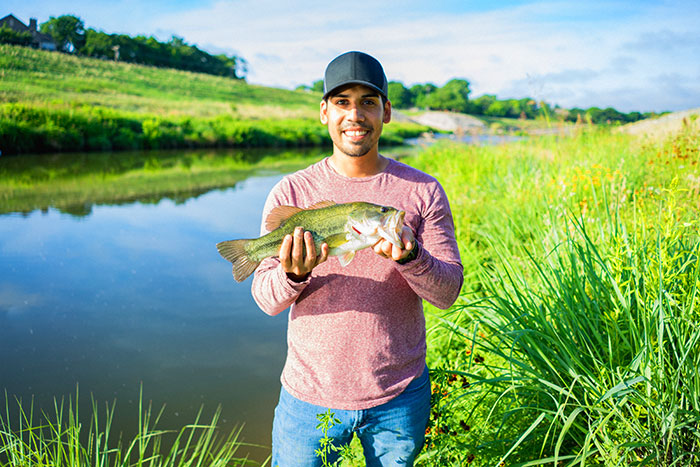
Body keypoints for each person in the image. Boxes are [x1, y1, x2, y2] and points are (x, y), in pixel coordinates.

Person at [250, 51, 463, 466]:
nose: (355, 114)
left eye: (368, 102)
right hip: (307, 398)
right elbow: (265, 298)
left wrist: (412, 257)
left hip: (399, 396)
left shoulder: (423, 191)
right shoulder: (290, 193)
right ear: (324, 112)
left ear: (386, 112)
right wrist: (293, 275)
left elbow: (447, 293)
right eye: (343, 102)